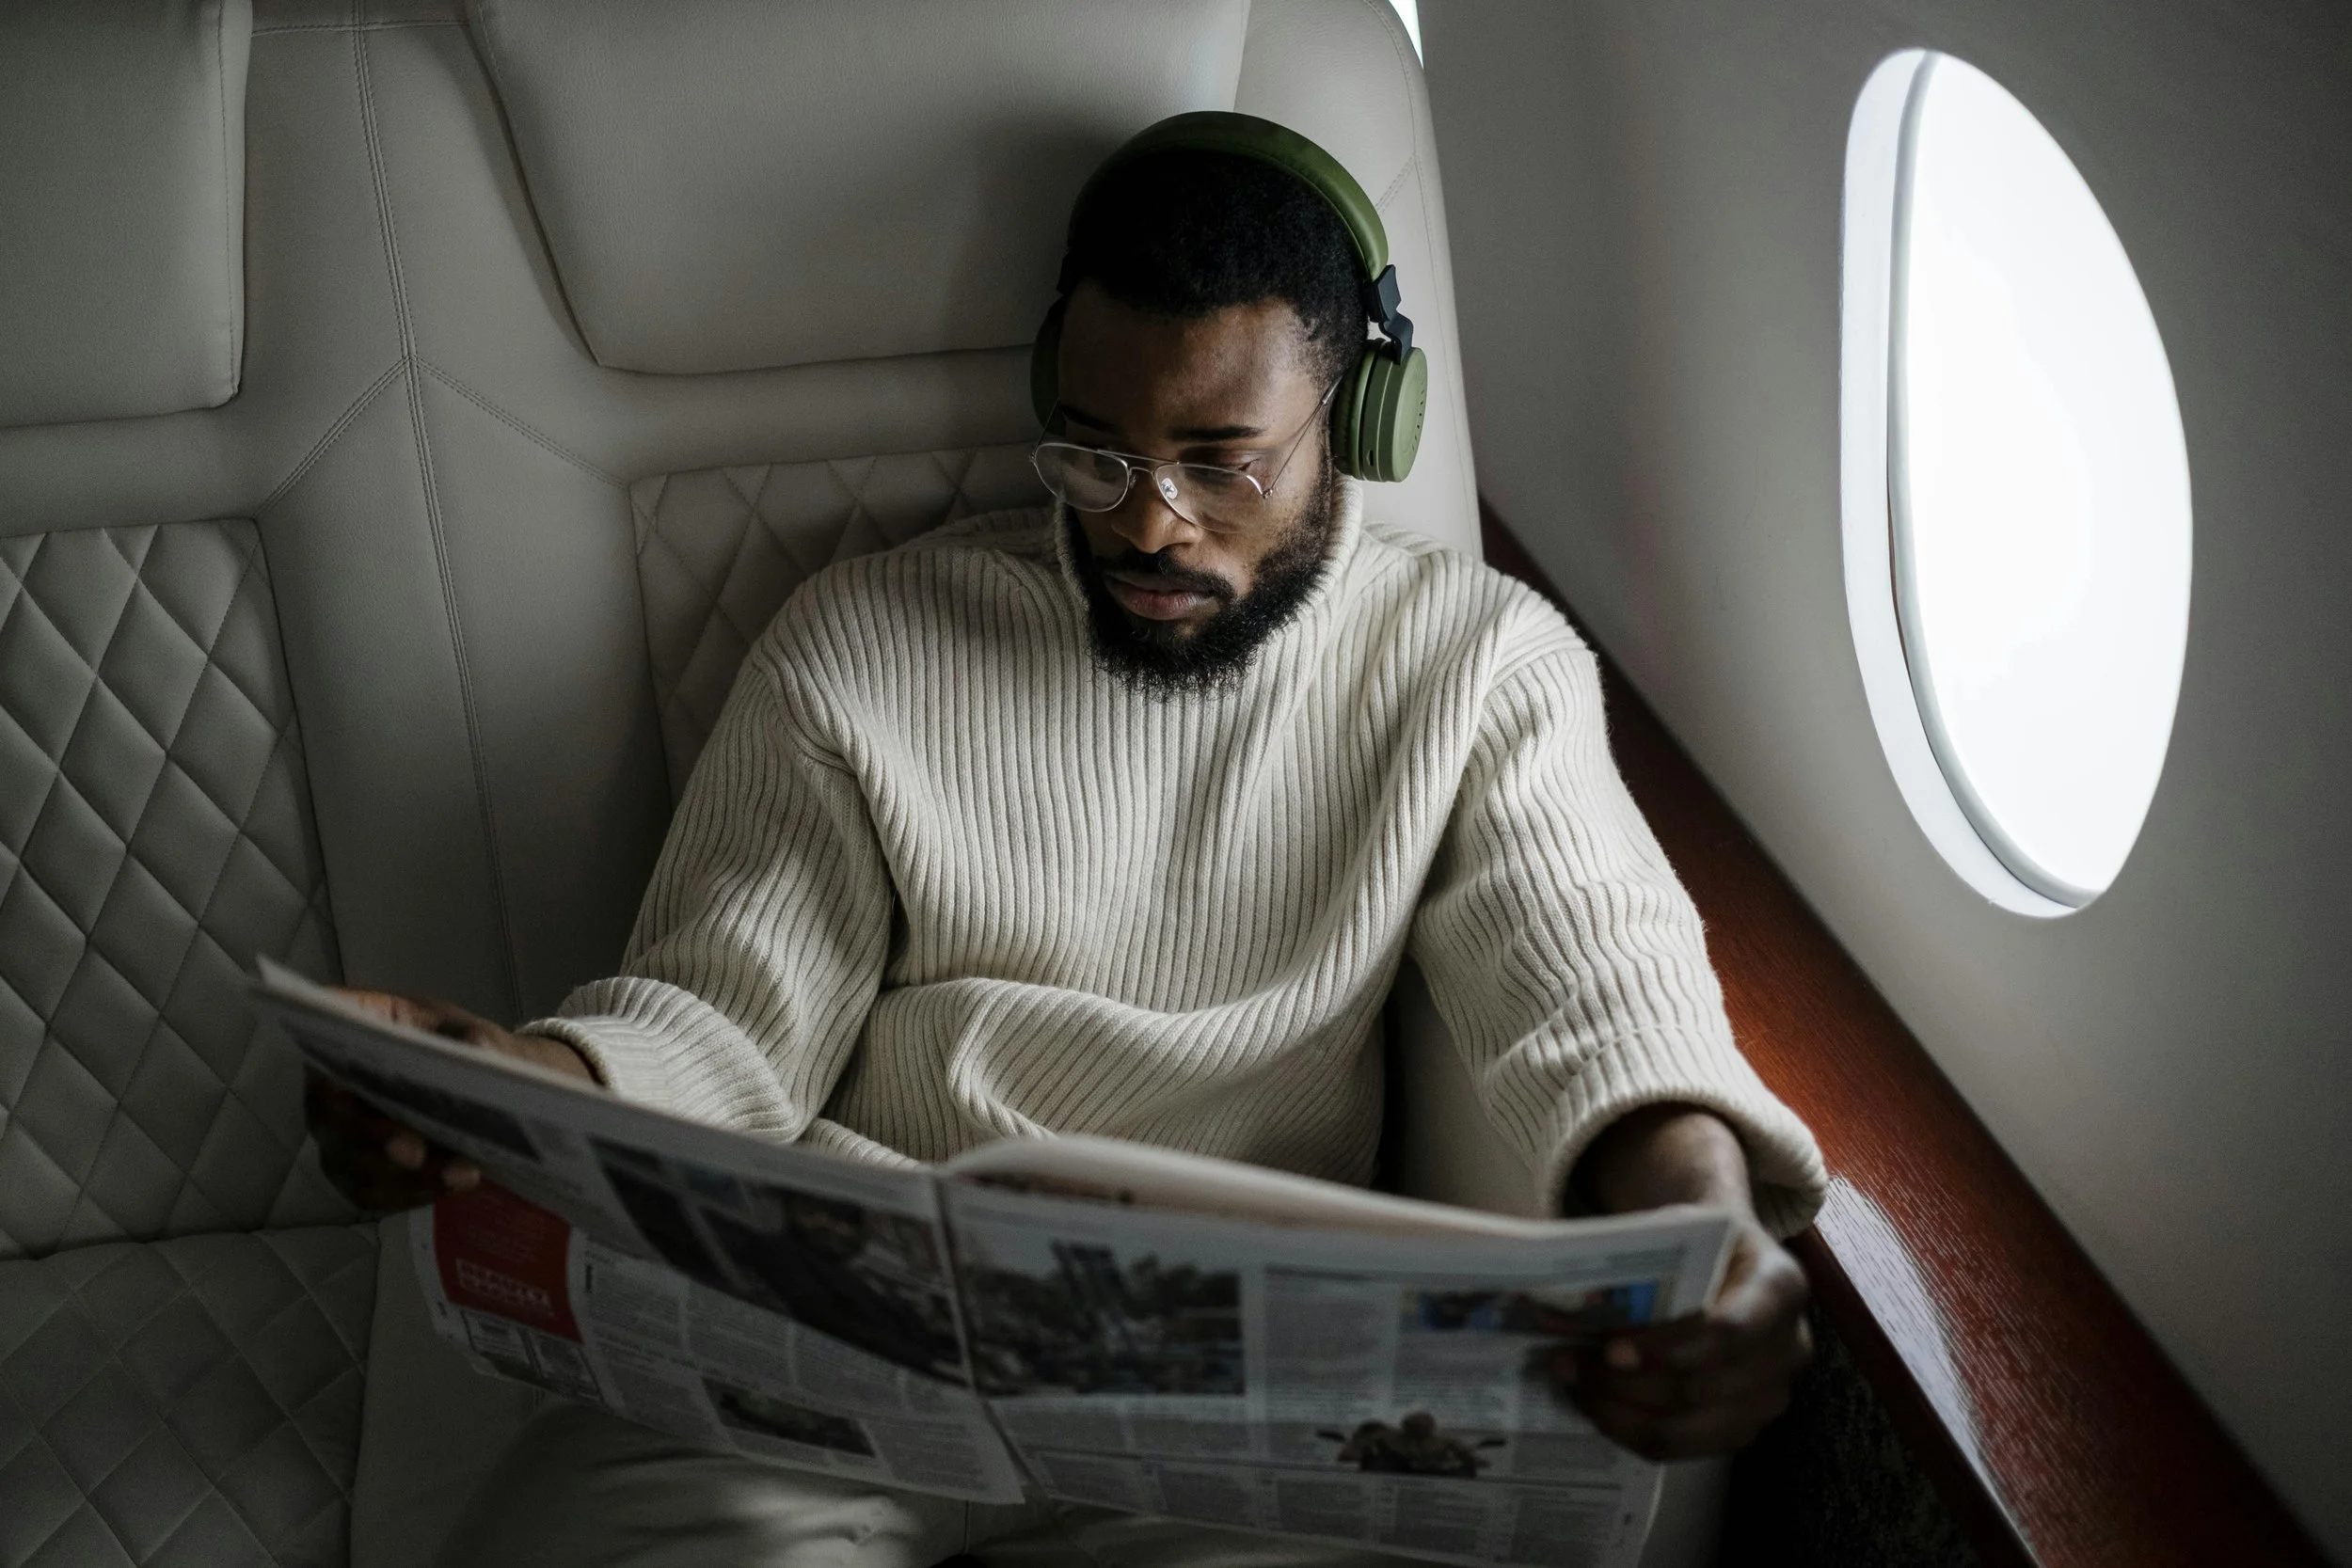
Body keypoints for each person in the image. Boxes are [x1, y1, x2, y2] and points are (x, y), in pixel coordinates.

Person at [309, 113, 1827, 1567]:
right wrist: (520, 1090)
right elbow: (725, 1012)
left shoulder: (1482, 666)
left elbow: (1595, 986)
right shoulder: (861, 641)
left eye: (1221, 461)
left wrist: (1704, 1232)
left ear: (1358, 414)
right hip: (841, 1338)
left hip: (1236, 1399)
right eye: (1096, 451)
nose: (1146, 523)